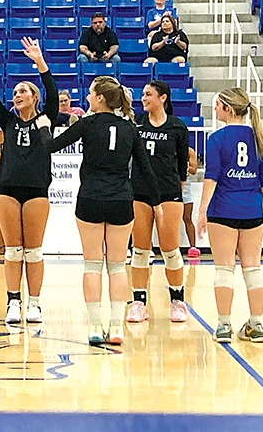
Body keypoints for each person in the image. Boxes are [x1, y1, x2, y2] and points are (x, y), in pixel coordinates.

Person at [36, 76, 161, 345]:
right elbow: (146, 170)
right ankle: (116, 327)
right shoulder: (129, 128)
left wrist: (45, 126)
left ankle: (95, 326)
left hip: (90, 198)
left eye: (91, 94)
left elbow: (50, 146)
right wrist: (157, 203)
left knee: (92, 265)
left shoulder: (87, 123)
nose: (88, 98)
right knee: (117, 267)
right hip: (121, 200)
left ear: (101, 98)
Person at [0, 32, 59, 324]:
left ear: (33, 97)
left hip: (37, 190)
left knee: (34, 250)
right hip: (7, 190)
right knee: (13, 250)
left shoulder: (45, 118)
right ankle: (13, 301)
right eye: (14, 92)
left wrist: (40, 62)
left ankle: (35, 304)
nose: (16, 96)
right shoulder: (8, 121)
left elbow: (52, 93)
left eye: (22, 92)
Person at [197, 88, 263, 343]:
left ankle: (223, 326)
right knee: (253, 269)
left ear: (227, 108)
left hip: (222, 211)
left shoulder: (217, 139)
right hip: (252, 211)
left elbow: (211, 178)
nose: (215, 109)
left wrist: (201, 212)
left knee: (224, 269)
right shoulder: (259, 139)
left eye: (217, 105)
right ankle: (256, 325)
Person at [127, 80, 190, 324]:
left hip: (168, 194)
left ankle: (177, 300)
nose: (143, 98)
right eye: (143, 94)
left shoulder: (177, 127)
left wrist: (178, 189)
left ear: (162, 97)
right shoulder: (136, 124)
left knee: (170, 250)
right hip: (140, 193)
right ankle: (138, 303)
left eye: (148, 94)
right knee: (140, 250)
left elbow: (182, 163)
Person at [182, 147, 200, 258]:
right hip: (170, 183)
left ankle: (193, 247)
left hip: (186, 186)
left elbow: (194, 170)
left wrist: (183, 166)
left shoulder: (189, 151)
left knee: (187, 218)